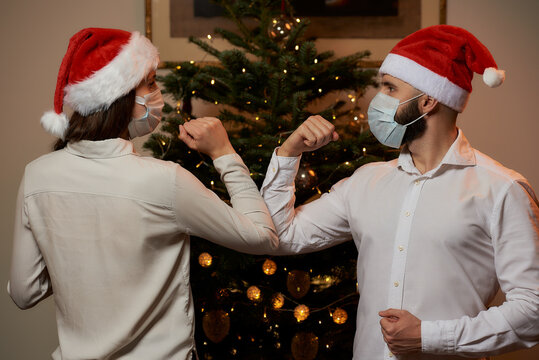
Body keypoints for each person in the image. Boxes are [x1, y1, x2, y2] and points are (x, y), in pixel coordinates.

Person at [257, 25, 539, 359]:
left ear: (428, 100)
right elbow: (279, 234)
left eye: (390, 88)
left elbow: (533, 310)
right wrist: (289, 154)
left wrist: (431, 336)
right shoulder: (365, 183)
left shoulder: (501, 189)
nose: (376, 101)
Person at [7, 28, 278, 360]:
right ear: (120, 97)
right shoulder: (163, 181)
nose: (157, 92)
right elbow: (263, 236)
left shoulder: (37, 174)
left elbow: (24, 292)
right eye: (149, 83)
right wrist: (223, 153)